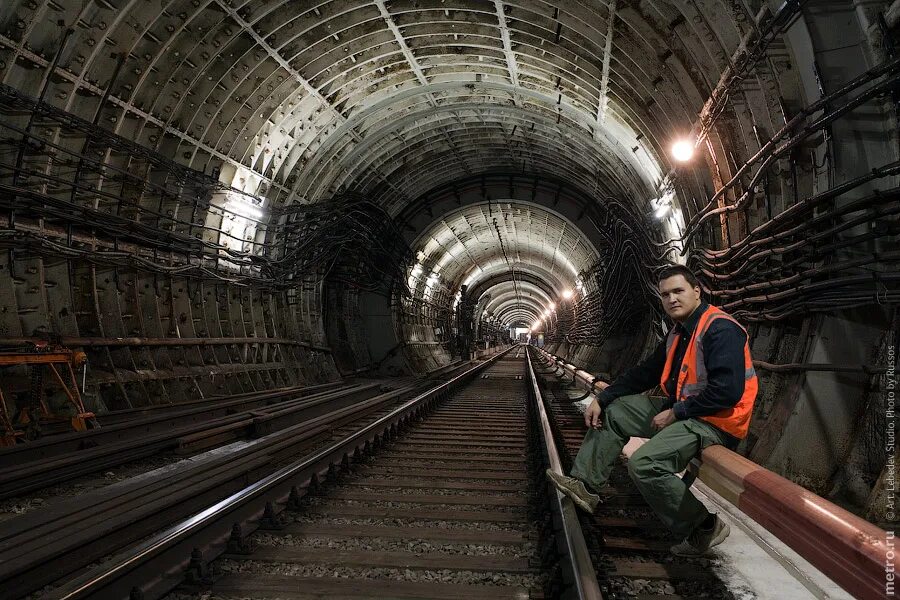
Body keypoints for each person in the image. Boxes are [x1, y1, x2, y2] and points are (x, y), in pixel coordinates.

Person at [546, 265, 758, 556]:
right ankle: (585, 485)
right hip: (686, 411)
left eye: (678, 291)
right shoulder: (678, 332)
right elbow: (646, 372)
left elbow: (728, 391)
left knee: (644, 464)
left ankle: (703, 527)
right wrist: (604, 397)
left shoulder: (720, 329)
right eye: (665, 294)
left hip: (716, 422)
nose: (671, 299)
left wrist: (677, 412)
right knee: (616, 412)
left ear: (697, 292)